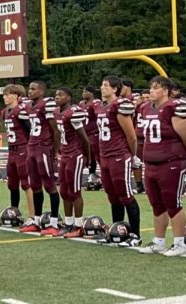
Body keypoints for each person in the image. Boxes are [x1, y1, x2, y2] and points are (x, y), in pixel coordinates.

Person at [137, 76, 186, 257]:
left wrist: (176, 154)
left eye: (155, 88)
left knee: (173, 203)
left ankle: (179, 243)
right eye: (151, 87)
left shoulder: (173, 107)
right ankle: (159, 241)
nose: (151, 91)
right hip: (151, 163)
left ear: (165, 90)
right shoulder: (145, 108)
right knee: (156, 204)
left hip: (170, 163)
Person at [97, 75, 141, 244]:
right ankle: (117, 231)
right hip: (106, 156)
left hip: (119, 155)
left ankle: (135, 235)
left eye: (106, 85)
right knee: (113, 196)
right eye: (102, 84)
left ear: (115, 88)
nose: (102, 88)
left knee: (126, 195)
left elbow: (131, 136)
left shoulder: (120, 105)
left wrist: (133, 155)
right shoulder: (103, 107)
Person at [25, 81, 62, 234]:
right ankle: (37, 220)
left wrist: (55, 151)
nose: (30, 91)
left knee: (49, 185)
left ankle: (54, 222)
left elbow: (56, 130)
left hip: (43, 147)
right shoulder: (29, 106)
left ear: (41, 91)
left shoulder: (47, 104)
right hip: (32, 147)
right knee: (34, 185)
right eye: (29, 88)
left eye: (33, 89)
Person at [54, 87, 90, 237]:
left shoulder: (74, 112)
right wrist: (57, 150)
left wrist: (88, 157)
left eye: (60, 95)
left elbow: (85, 139)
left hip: (75, 154)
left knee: (75, 191)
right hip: (65, 154)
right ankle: (68, 224)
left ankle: (79, 225)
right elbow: (57, 132)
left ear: (68, 98)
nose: (57, 97)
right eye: (56, 95)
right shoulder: (57, 112)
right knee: (64, 190)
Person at [1, 85, 36, 221]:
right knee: (12, 184)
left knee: (26, 183)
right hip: (12, 151)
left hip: (22, 149)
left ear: (15, 96)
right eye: (4, 94)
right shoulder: (5, 112)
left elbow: (30, 131)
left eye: (7, 94)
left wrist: (30, 148)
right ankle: (14, 213)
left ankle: (33, 216)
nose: (4, 97)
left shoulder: (21, 110)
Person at [80, 86, 102, 178]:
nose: (83, 93)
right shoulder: (81, 104)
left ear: (92, 93)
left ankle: (104, 175)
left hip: (94, 133)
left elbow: (99, 114)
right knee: (89, 156)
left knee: (97, 155)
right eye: (83, 91)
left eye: (86, 91)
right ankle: (91, 176)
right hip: (84, 134)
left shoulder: (95, 103)